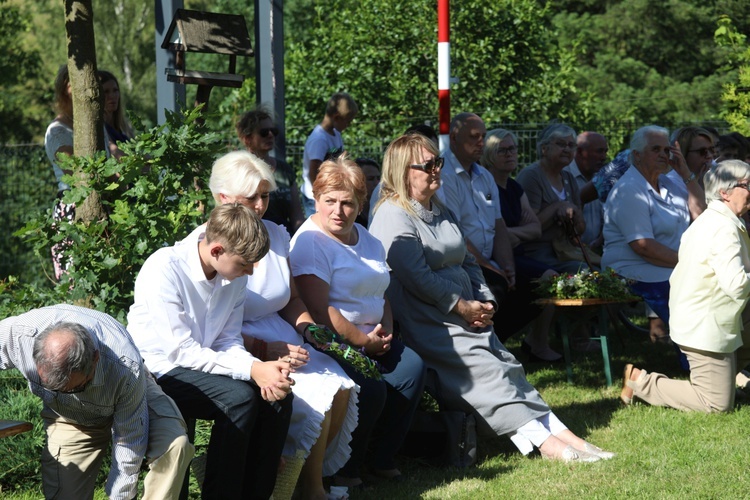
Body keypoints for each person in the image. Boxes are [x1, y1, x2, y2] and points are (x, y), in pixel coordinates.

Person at [369, 133, 613, 462]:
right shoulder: (391, 215)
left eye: (437, 162)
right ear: (402, 170)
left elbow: (468, 260)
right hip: (427, 317)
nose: (437, 170)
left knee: (507, 365)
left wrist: (485, 301)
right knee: (487, 371)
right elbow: (416, 277)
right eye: (428, 165)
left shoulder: (439, 208)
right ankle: (549, 446)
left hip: (463, 309)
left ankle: (566, 435)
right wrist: (462, 306)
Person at [205, 150, 359, 500]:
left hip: (283, 331)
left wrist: (308, 330)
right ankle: (308, 488)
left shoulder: (274, 234)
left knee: (341, 386)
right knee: (315, 395)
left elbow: (291, 298)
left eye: (265, 195)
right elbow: (209, 327)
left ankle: (295, 476)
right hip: (237, 342)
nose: (260, 205)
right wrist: (263, 350)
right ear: (222, 198)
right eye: (252, 197)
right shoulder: (211, 244)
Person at [127, 203, 294, 500]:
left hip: (200, 365)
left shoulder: (234, 276)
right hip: (155, 369)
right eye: (245, 264)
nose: (250, 271)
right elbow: (180, 351)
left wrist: (261, 371)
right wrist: (254, 369)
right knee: (239, 399)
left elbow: (228, 341)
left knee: (278, 397)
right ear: (217, 250)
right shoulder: (164, 267)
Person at [290, 156, 426, 487]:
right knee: (372, 388)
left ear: (361, 203)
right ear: (316, 199)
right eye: (330, 201)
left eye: (348, 203)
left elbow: (382, 293)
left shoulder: (367, 239)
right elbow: (320, 311)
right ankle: (344, 467)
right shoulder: (311, 242)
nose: (338, 211)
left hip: (375, 337)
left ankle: (380, 458)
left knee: (411, 369)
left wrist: (388, 333)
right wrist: (363, 343)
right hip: (329, 342)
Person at [0, 304, 194, 500]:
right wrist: (63, 392)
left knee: (174, 446)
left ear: (95, 359)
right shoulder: (19, 335)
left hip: (133, 394)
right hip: (70, 415)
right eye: (53, 387)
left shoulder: (125, 366)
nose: (67, 392)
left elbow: (130, 441)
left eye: (75, 388)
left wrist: (120, 496)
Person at [621, 160, 750, 411]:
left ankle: (729, 374)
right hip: (705, 326)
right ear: (725, 193)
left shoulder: (718, 219)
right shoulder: (722, 228)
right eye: (748, 185)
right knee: (716, 404)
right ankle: (641, 382)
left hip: (709, 317)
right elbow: (736, 285)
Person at [601, 126, 693, 332]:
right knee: (690, 298)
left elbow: (701, 213)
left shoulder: (669, 182)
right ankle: (695, 359)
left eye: (666, 150)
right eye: (656, 149)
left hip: (669, 265)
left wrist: (685, 172)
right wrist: (690, 263)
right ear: (637, 155)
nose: (663, 154)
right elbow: (643, 247)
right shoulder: (629, 190)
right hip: (633, 269)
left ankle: (714, 356)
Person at [481, 128, 561, 362]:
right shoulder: (486, 187)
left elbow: (535, 228)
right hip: (495, 256)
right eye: (502, 150)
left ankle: (535, 341)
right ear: (488, 156)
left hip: (518, 253)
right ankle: (531, 342)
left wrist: (509, 233)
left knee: (549, 281)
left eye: (512, 149)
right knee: (548, 278)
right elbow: (495, 230)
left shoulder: (514, 187)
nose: (510, 154)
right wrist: (511, 233)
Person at [437, 113, 516, 308]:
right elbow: (455, 233)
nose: (481, 142)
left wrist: (508, 267)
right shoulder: (443, 176)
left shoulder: (485, 176)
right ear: (454, 138)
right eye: (474, 136)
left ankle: (509, 338)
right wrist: (490, 268)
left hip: (488, 262)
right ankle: (488, 338)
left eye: (483, 136)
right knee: (496, 290)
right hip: (461, 264)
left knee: (531, 284)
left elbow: (498, 224)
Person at [515, 124, 588, 273]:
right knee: (582, 272)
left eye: (571, 145)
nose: (567, 149)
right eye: (561, 144)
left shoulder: (568, 178)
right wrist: (556, 207)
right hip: (537, 253)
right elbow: (527, 227)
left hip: (565, 251)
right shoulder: (531, 176)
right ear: (544, 148)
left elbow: (579, 230)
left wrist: (574, 213)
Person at [236, 108, 305, 234]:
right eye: (263, 132)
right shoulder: (239, 170)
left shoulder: (284, 169)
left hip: (283, 236)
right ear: (247, 139)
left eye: (273, 131)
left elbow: (297, 214)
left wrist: (300, 238)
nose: (270, 135)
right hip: (250, 236)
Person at [301, 93, 358, 217]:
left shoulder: (335, 134)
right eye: (347, 122)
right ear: (337, 117)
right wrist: (319, 195)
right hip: (316, 197)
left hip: (329, 192)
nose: (348, 125)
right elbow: (313, 170)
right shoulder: (319, 139)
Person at [564, 132, 609, 249]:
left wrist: (598, 242)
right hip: (568, 250)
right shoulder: (564, 176)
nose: (604, 157)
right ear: (579, 152)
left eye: (605, 151)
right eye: (599, 151)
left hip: (595, 250)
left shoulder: (602, 178)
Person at [99, 70, 133, 156]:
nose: (112, 96)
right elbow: (118, 155)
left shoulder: (124, 126)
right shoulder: (100, 128)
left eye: (115, 90)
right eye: (106, 91)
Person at [354, 157, 381, 227]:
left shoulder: (382, 208)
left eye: (378, 178)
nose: (377, 183)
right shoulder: (352, 214)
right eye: (370, 179)